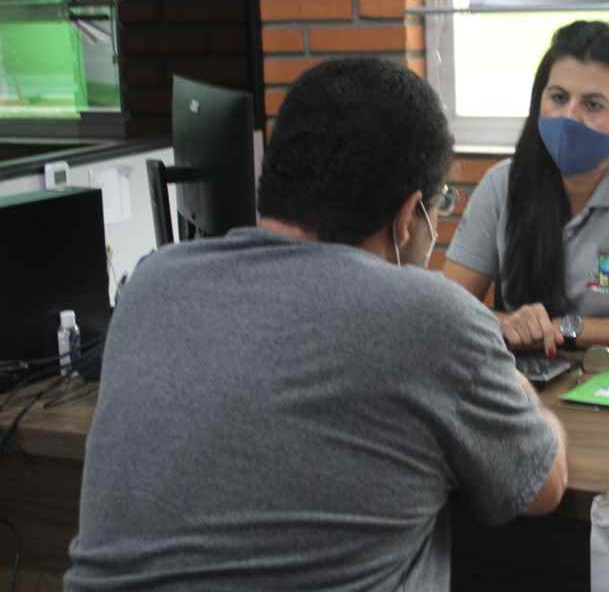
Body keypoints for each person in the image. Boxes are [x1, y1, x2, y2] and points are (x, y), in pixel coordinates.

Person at [65, 58, 567, 591]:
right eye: (439, 204)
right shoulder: (430, 315)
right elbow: (543, 483)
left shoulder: (152, 282)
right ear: (407, 216)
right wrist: (518, 386)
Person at [443, 20, 609, 356]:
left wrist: (568, 328)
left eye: (592, 104)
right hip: (526, 381)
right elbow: (446, 308)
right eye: (558, 97)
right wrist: (506, 324)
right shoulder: (502, 184)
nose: (568, 116)